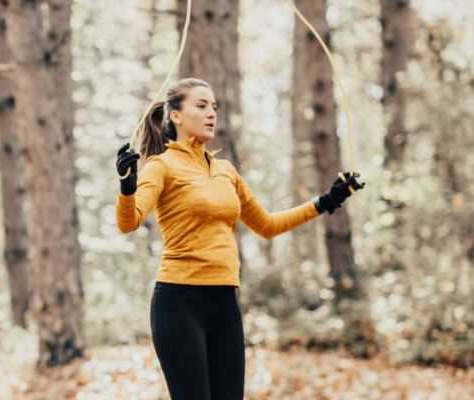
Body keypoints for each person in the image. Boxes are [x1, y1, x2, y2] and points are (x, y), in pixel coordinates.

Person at [114, 77, 364, 400]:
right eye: (201, 105)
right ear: (175, 115)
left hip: (224, 304)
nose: (211, 113)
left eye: (214, 107)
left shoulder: (226, 171)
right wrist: (126, 186)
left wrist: (327, 201)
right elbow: (129, 222)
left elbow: (267, 225)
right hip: (178, 305)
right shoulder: (161, 166)